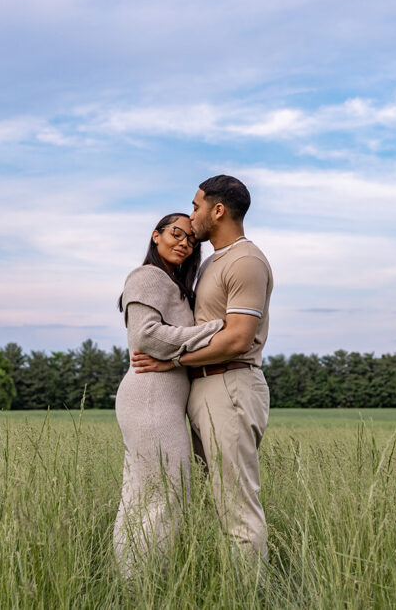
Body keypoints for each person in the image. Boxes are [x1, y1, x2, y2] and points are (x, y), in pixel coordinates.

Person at [132, 174, 273, 562]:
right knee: (208, 500)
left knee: (236, 506)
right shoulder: (213, 261)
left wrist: (173, 360)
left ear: (218, 210)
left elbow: (237, 338)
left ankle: (245, 599)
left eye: (195, 207)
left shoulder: (245, 261)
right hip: (205, 388)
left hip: (229, 384)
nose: (192, 216)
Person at [112, 212, 248, 576]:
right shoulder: (147, 276)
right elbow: (145, 336)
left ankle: (134, 581)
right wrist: (213, 330)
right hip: (149, 396)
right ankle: (145, 581)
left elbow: (162, 339)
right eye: (176, 233)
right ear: (155, 235)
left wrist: (178, 356)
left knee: (145, 495)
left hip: (162, 398)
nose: (185, 243)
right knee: (169, 492)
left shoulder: (172, 284)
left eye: (191, 239)